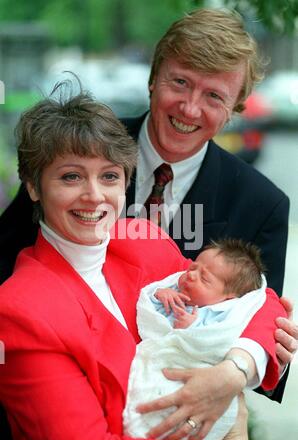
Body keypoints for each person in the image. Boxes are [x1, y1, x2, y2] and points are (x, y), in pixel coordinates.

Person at [0, 8, 296, 408]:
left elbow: (259, 321)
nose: (190, 109)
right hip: (58, 392)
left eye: (213, 96)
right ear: (153, 78)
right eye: (180, 82)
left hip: (176, 409)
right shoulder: (79, 146)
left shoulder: (262, 204)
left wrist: (245, 364)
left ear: (235, 108)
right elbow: (4, 257)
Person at [123, 239, 269, 440]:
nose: (191, 275)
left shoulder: (221, 317)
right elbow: (150, 313)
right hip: (157, 358)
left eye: (204, 278)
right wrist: (160, 293)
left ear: (228, 298)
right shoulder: (175, 294)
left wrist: (192, 330)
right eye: (193, 267)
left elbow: (215, 342)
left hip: (195, 371)